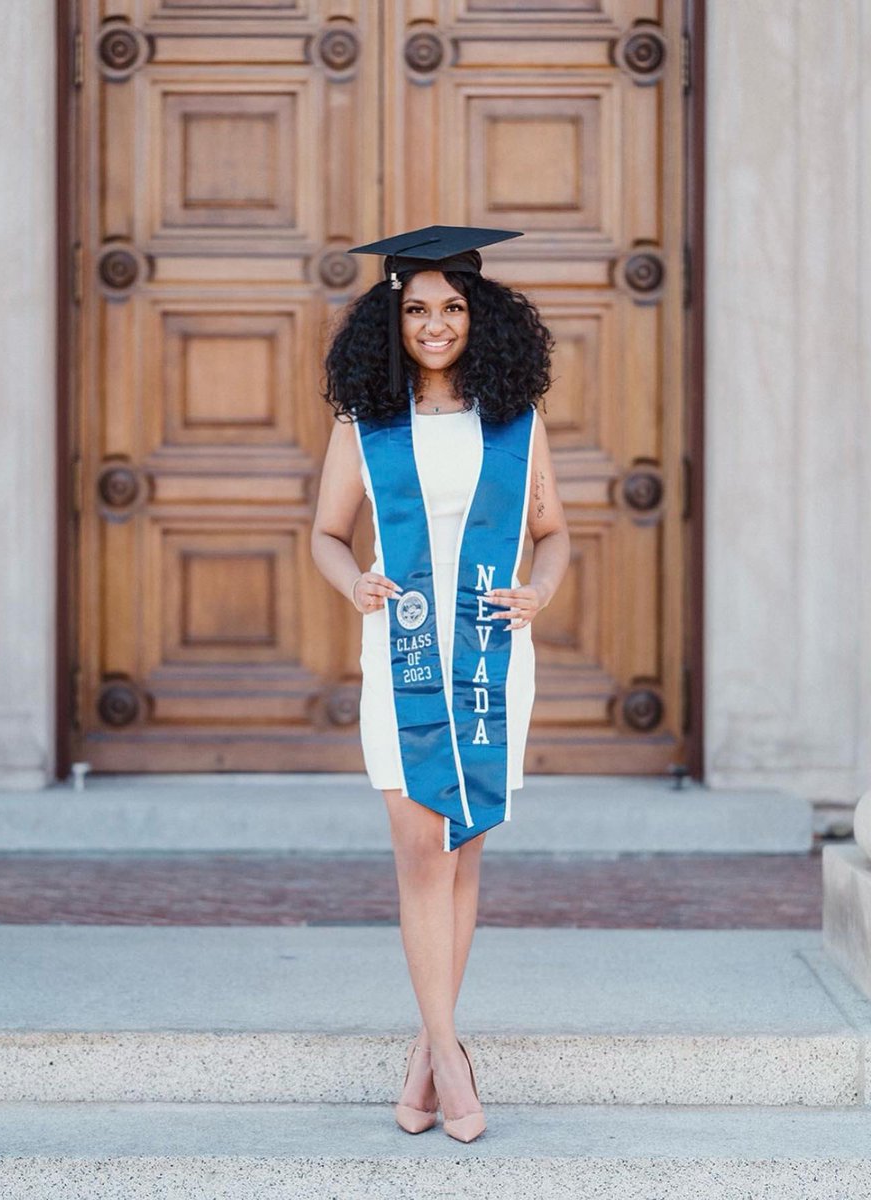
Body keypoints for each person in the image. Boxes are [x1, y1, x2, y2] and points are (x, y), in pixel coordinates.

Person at [311, 225, 570, 1143]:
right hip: (404, 654)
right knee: (420, 844)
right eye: (417, 309)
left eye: (451, 307)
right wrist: (357, 586)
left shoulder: (515, 420)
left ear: (478, 315)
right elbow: (327, 536)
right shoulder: (365, 425)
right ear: (393, 320)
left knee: (463, 846)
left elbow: (554, 534)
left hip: (495, 658)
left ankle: (429, 1047)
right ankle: (454, 1056)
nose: (434, 324)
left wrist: (540, 589)